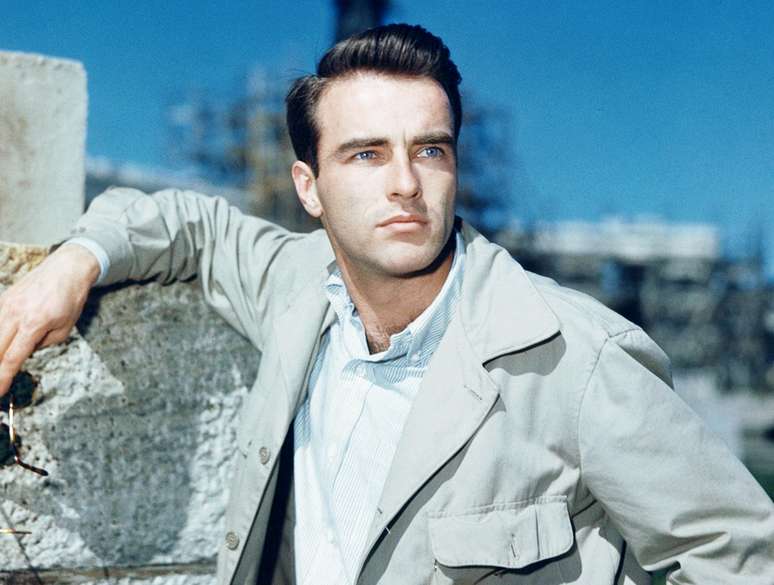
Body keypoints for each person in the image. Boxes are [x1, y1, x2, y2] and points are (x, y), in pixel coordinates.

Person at [0, 23, 772, 585]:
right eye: (366, 153)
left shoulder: (578, 358)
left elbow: (742, 556)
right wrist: (74, 262)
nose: (405, 182)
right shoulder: (293, 287)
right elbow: (187, 224)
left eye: (429, 149)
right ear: (310, 188)